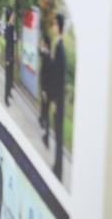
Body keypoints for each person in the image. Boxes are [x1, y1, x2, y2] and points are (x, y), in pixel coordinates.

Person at [50, 13, 67, 179]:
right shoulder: (58, 46)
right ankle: (57, 166)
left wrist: (55, 100)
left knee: (59, 135)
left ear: (59, 26)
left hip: (59, 100)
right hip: (58, 98)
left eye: (55, 24)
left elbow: (59, 78)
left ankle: (58, 169)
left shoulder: (60, 48)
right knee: (58, 134)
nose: (53, 26)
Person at [4, 8, 16, 106]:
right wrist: (8, 58)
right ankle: (6, 98)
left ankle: (9, 93)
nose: (14, 16)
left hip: (11, 57)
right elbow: (8, 45)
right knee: (8, 78)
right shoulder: (8, 28)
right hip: (9, 58)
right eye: (13, 15)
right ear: (10, 16)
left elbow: (12, 43)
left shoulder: (12, 27)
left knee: (10, 77)